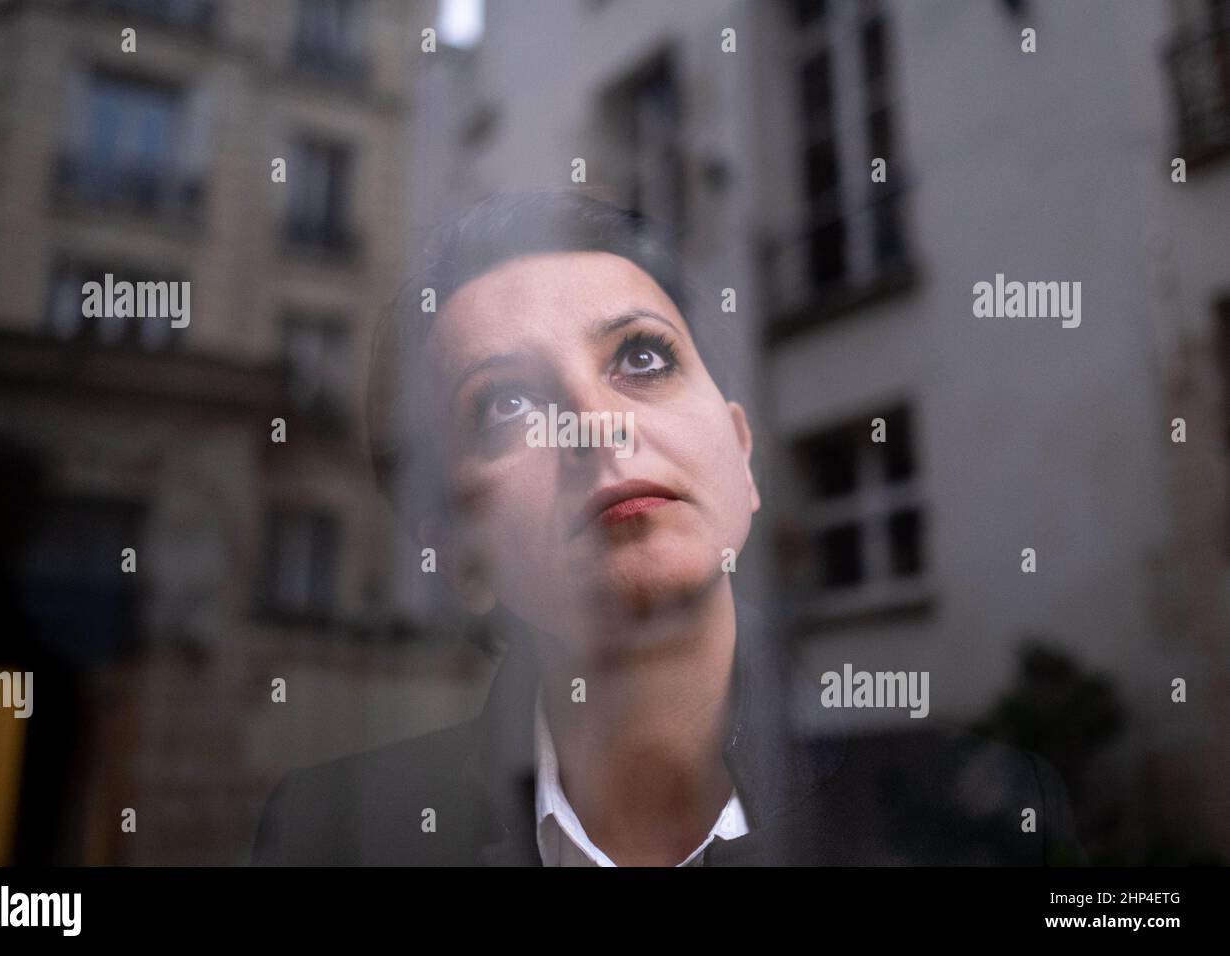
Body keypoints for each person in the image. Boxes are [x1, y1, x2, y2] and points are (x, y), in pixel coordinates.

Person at [250, 189, 1086, 866]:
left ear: (742, 455)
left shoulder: (990, 824)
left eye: (642, 357)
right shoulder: (330, 841)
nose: (597, 426)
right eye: (506, 403)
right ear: (455, 556)